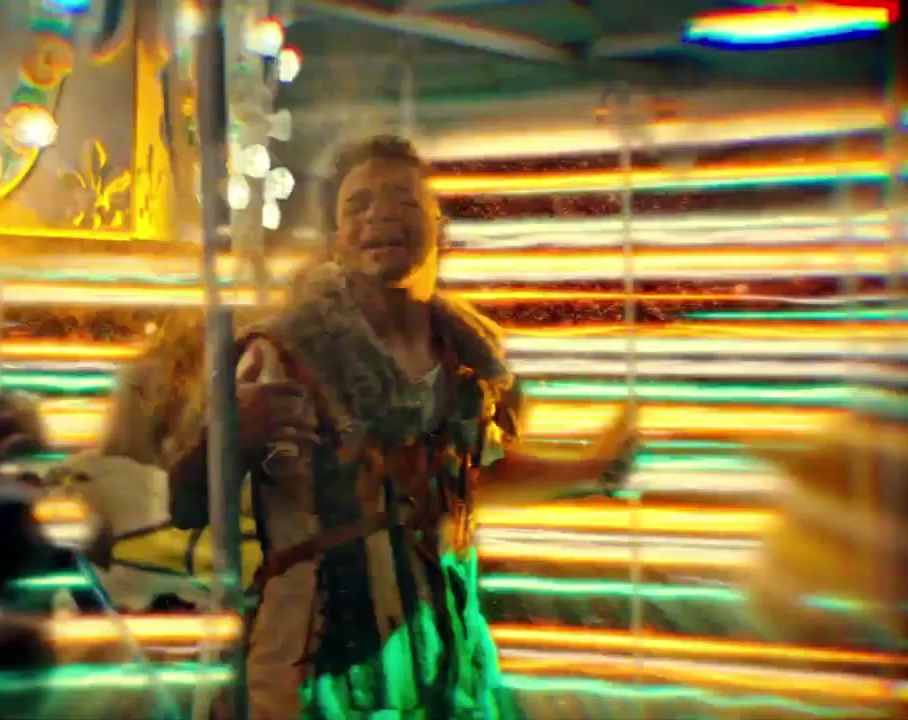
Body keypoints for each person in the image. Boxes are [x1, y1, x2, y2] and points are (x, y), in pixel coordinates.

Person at [167, 135, 636, 719]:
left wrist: (590, 469)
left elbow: (465, 483)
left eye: (403, 200)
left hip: (446, 669)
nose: (379, 215)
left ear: (439, 226)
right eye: (358, 205)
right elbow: (186, 503)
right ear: (337, 239)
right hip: (316, 682)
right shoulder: (281, 354)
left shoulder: (466, 363)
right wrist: (230, 435)